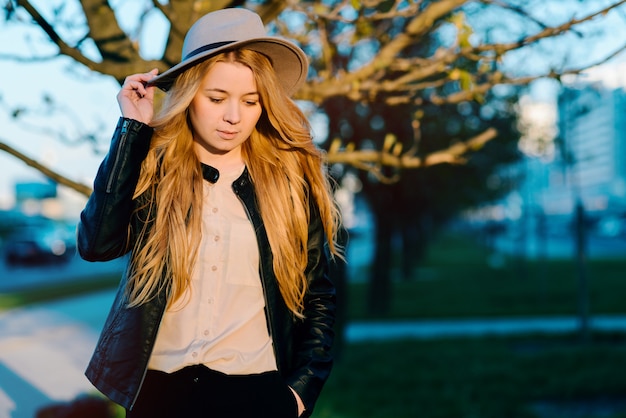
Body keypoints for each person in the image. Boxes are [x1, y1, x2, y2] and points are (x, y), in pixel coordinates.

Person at [77, 7, 342, 418]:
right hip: (160, 397)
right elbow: (96, 245)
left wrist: (299, 394)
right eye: (217, 98)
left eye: (250, 101)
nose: (234, 116)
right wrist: (131, 130)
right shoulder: (154, 172)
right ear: (188, 94)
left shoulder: (289, 184)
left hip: (257, 395)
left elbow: (318, 297)